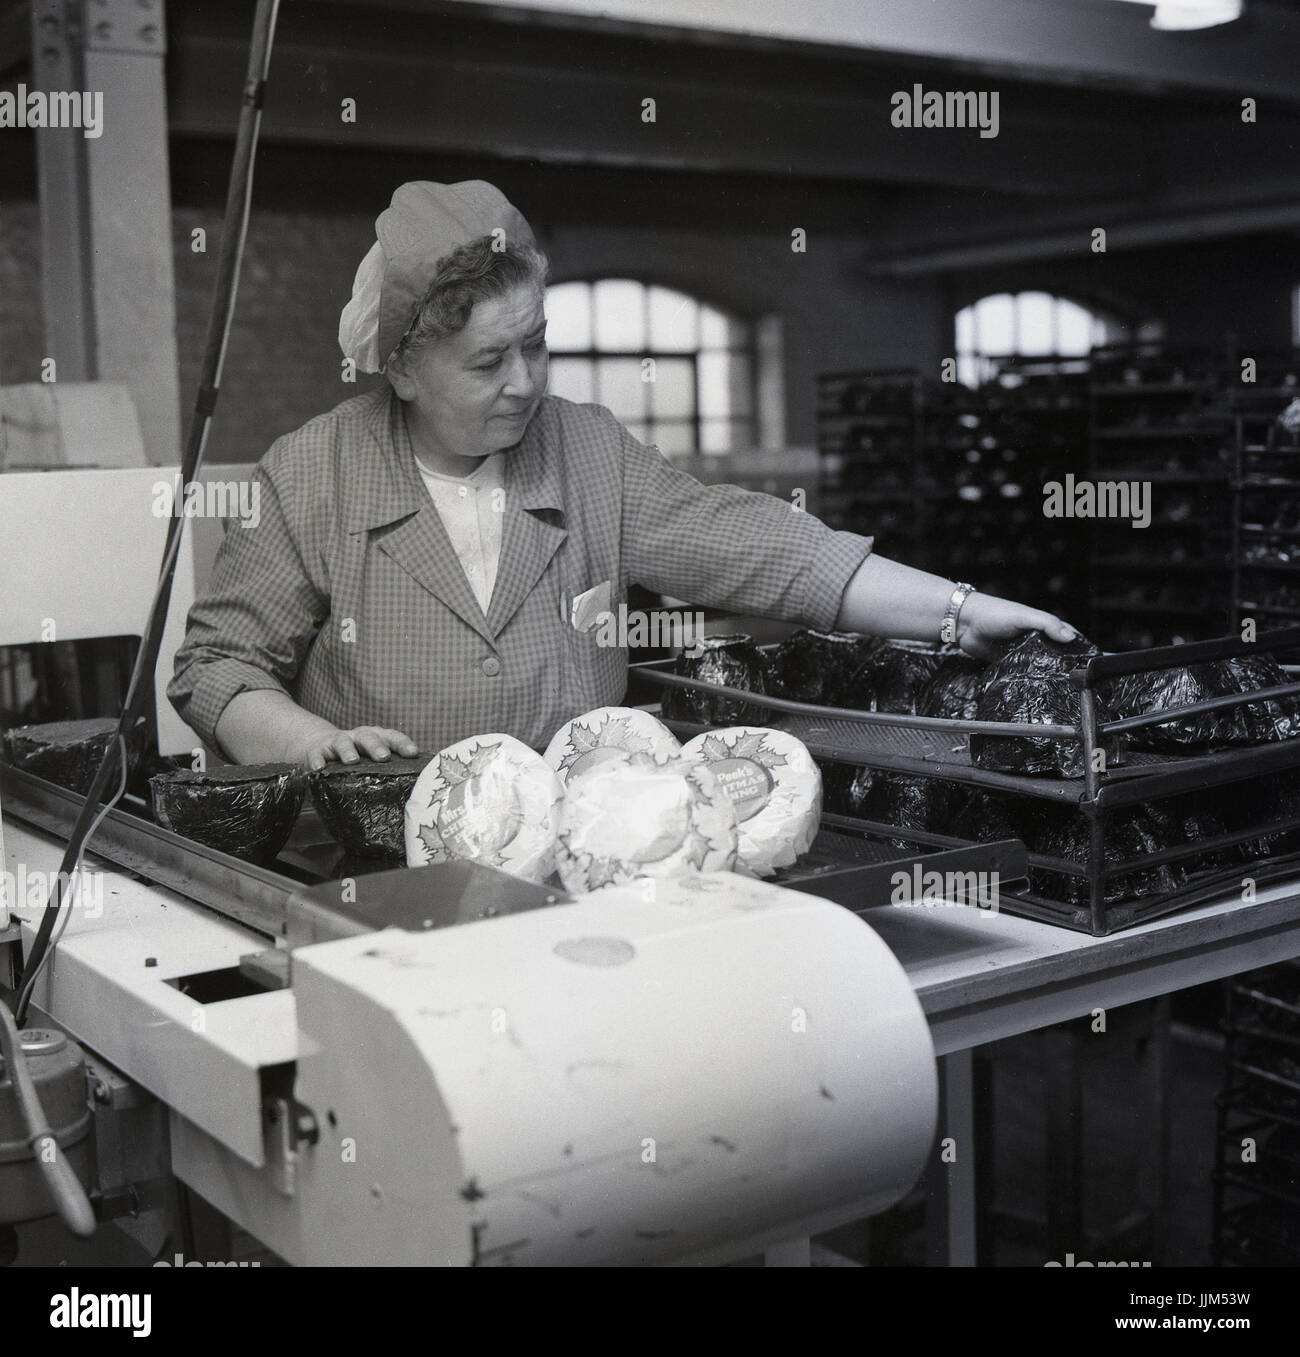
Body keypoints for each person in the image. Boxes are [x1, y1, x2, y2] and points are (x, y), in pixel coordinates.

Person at [169, 180, 1076, 770]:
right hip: (375, 872)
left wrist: (958, 611)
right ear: (402, 368)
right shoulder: (313, 475)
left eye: (536, 346)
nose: (525, 383)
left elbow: (762, 546)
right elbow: (218, 665)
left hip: (573, 854)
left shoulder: (587, 449)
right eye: (488, 363)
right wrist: (315, 743)